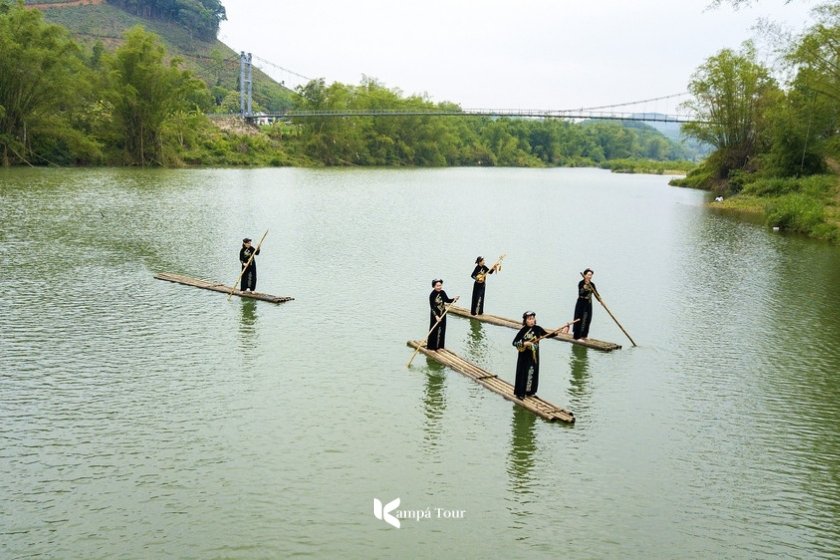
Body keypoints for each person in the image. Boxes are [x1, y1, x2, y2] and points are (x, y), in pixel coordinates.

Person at [512, 311, 558, 399]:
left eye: (533, 318)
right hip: (524, 357)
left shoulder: (538, 329)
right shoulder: (523, 330)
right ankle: (520, 393)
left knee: (532, 371)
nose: (532, 320)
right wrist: (525, 343)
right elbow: (514, 343)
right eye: (529, 319)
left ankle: (530, 392)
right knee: (523, 373)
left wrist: (557, 333)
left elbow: (547, 335)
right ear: (525, 321)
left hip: (534, 355)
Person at [427, 279, 459, 350]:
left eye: (440, 285)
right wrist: (436, 316)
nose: (439, 287)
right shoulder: (432, 295)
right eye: (437, 286)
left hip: (443, 313)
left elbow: (447, 300)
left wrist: (454, 299)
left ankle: (440, 346)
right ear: (434, 286)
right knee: (434, 330)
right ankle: (432, 347)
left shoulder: (443, 292)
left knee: (442, 329)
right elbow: (432, 307)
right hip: (435, 315)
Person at [573, 268, 596, 341]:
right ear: (585, 275)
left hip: (589, 303)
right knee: (579, 319)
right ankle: (577, 337)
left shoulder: (592, 284)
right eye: (588, 275)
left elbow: (596, 293)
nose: (590, 276)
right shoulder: (581, 283)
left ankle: (584, 335)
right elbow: (581, 293)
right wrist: (585, 287)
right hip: (581, 302)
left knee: (587, 319)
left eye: (591, 275)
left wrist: (600, 300)